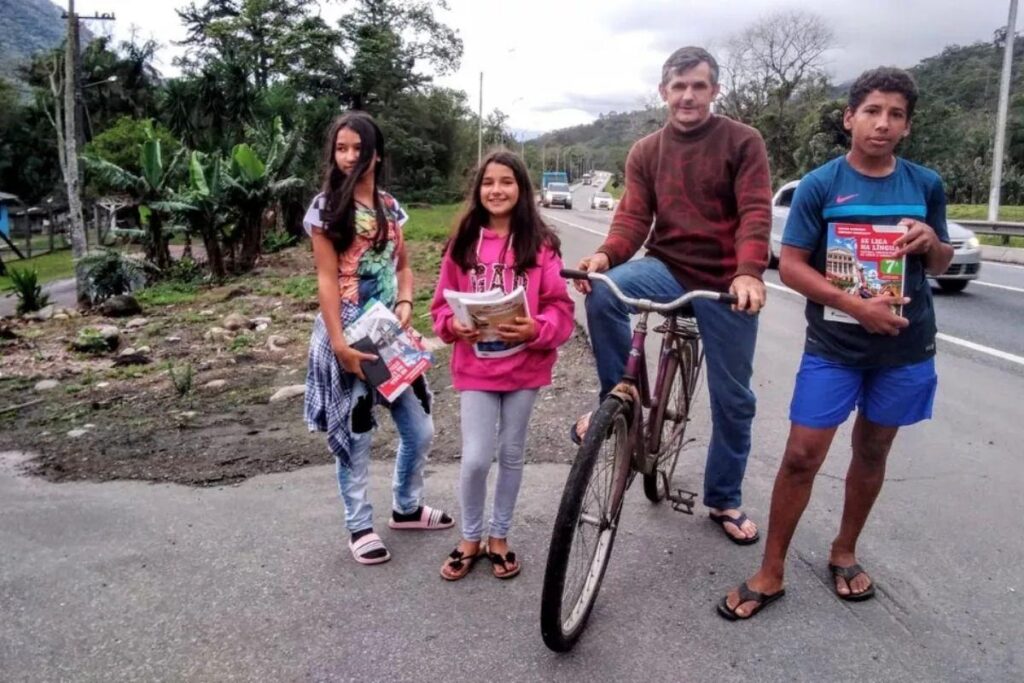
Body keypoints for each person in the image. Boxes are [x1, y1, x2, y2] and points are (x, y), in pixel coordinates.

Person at [719, 67, 954, 620]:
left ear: (907, 126)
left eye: (895, 114)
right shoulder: (820, 185)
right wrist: (853, 306)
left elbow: (942, 261)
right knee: (801, 456)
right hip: (835, 347)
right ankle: (771, 570)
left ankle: (844, 551)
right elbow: (794, 266)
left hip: (904, 345)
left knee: (873, 451)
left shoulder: (925, 184)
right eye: (872, 111)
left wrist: (929, 245)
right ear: (850, 117)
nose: (883, 123)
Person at [574, 46, 772, 544]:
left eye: (698, 86)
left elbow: (754, 212)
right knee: (603, 294)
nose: (688, 96)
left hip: (725, 280)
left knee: (735, 398)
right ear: (664, 92)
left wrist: (749, 272)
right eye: (678, 87)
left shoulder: (742, 141)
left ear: (714, 91)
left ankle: (724, 497)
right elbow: (633, 218)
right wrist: (604, 257)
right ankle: (621, 404)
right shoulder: (646, 150)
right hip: (666, 267)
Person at [304, 111, 453, 566]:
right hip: (349, 332)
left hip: (388, 332)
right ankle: (360, 525)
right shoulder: (327, 209)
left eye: (358, 148)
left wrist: (406, 305)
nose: (349, 157)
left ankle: (406, 507)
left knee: (419, 428)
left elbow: (403, 267)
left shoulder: (389, 208)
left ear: (376, 154)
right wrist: (338, 344)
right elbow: (327, 281)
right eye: (341, 148)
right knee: (357, 431)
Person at [430, 150, 575, 580]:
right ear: (478, 190)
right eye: (488, 182)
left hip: (524, 367)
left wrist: (537, 329)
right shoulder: (462, 243)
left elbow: (560, 309)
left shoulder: (541, 244)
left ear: (521, 189)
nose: (497, 190)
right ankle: (470, 535)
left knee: (511, 453)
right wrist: (455, 325)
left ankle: (499, 536)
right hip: (475, 367)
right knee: (476, 457)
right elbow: (440, 308)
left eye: (507, 181)